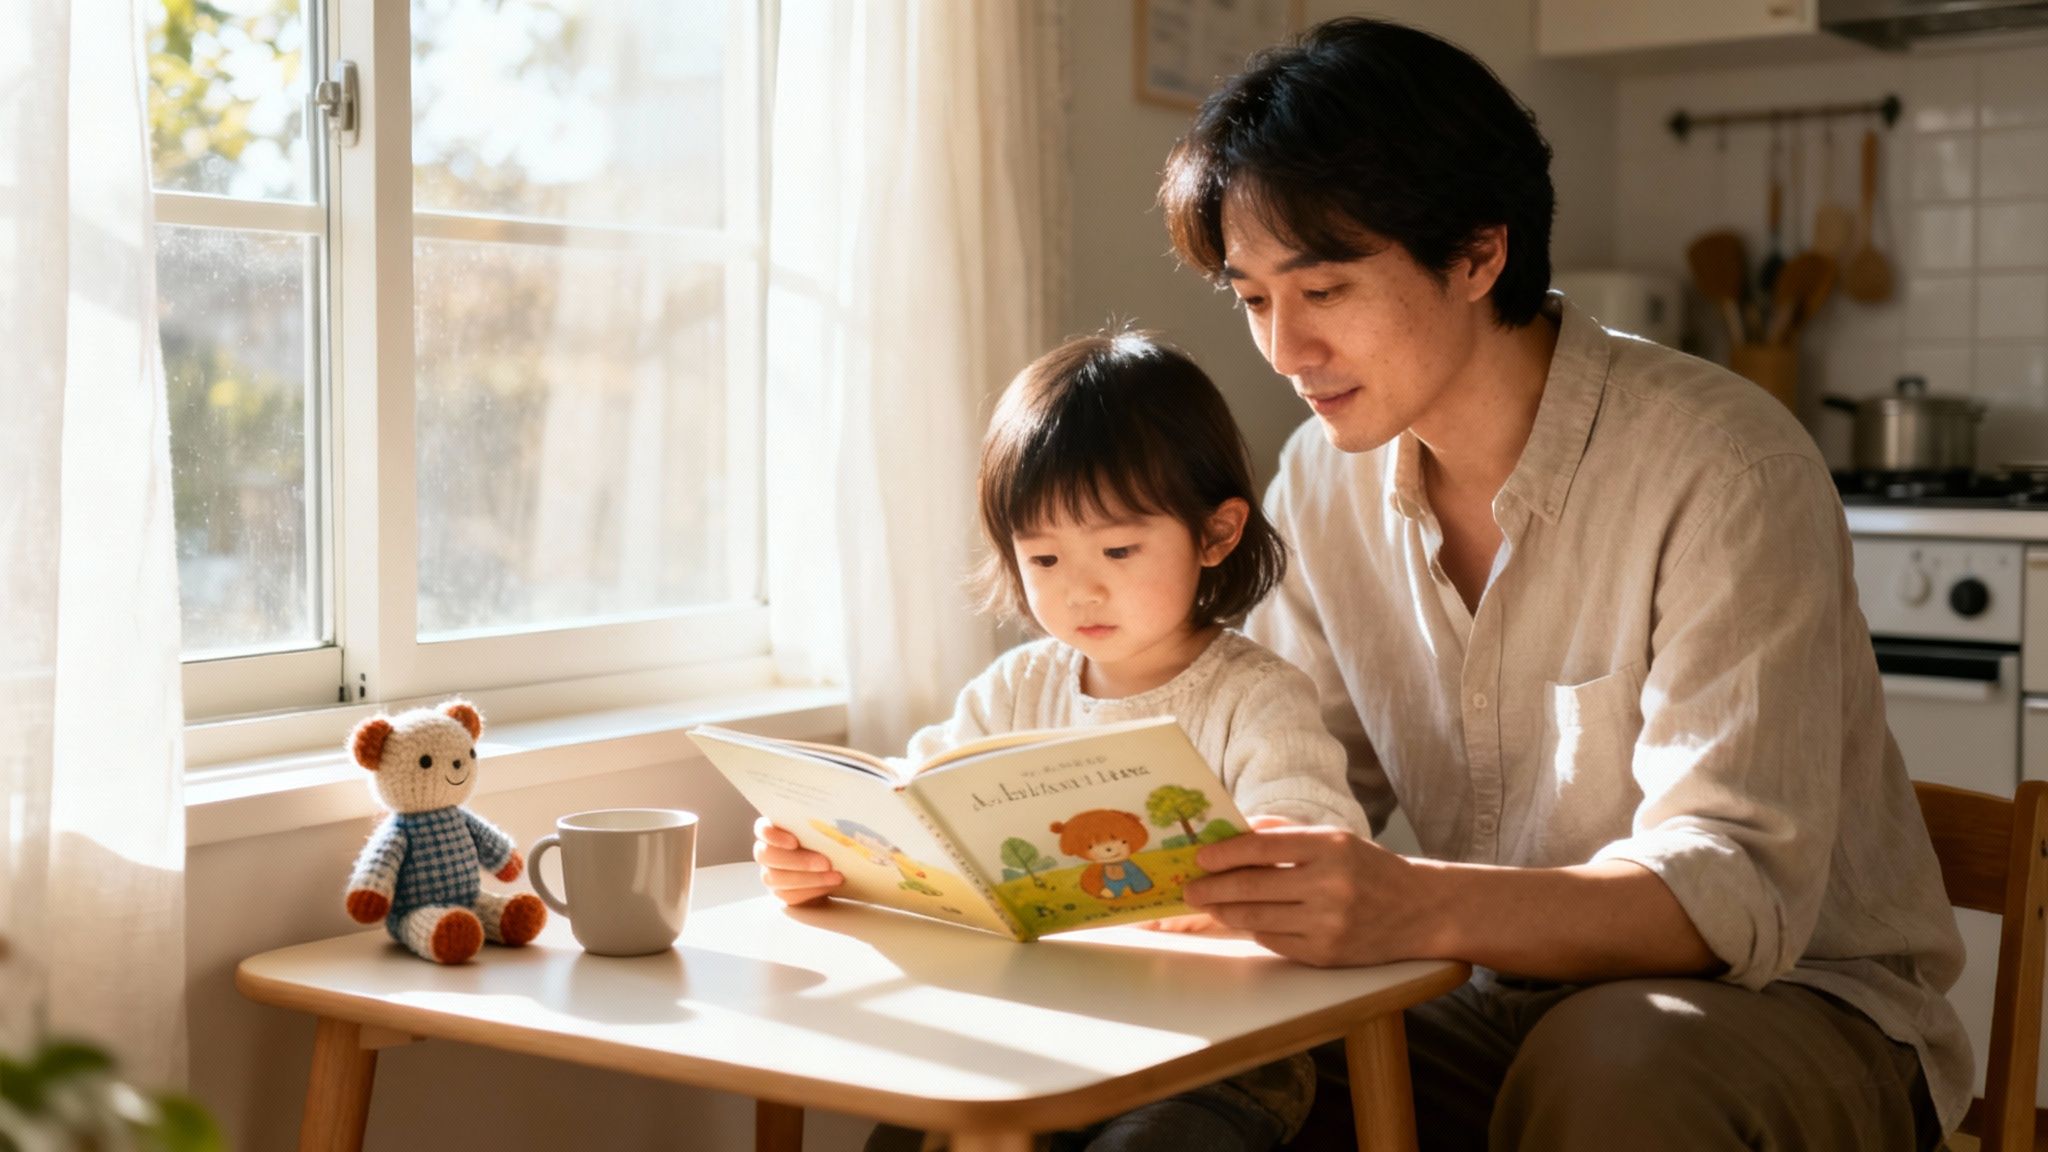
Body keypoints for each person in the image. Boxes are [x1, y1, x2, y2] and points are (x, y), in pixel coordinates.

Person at [1149, 16, 1966, 1152]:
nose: (1282, 349)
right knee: (1143, 1060)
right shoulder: (1319, 484)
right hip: (1484, 998)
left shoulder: (1721, 464)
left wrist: (1407, 902)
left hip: (1789, 1008)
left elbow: (1728, 891)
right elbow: (1285, 764)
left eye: (1323, 289)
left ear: (1478, 255)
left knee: (1617, 1067)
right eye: (1249, 299)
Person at [753, 331, 1375, 1152]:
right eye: (1042, 556)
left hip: (1219, 1049)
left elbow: (1319, 847)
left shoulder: (1255, 696)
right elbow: (916, 807)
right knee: (906, 1129)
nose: (1080, 586)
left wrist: (1251, 874)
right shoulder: (1013, 690)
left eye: (1119, 549)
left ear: (1216, 535)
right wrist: (825, 854)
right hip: (1045, 1032)